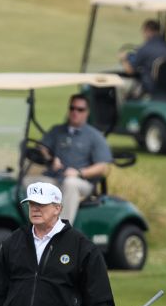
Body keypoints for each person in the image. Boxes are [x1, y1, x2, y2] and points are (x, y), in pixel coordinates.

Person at [33, 93, 114, 224]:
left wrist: (79, 172)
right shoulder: (57, 130)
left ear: (87, 112)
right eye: (72, 108)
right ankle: (28, 228)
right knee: (27, 183)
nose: (75, 112)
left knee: (70, 183)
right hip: (55, 178)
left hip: (81, 182)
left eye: (80, 109)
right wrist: (51, 158)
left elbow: (102, 167)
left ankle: (60, 231)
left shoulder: (95, 136)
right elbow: (42, 147)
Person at [120, 19, 166, 95]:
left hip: (152, 89)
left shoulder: (145, 48)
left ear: (147, 31)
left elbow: (129, 70)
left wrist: (123, 59)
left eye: (143, 32)